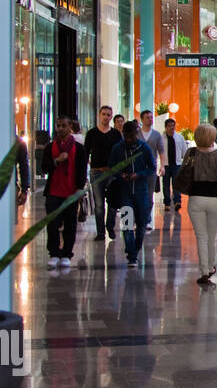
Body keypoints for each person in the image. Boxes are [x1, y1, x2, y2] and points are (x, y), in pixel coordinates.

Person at [183, 123, 217, 285]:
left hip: (196, 197)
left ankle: (204, 270)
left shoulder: (191, 153)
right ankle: (210, 266)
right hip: (215, 198)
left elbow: (184, 172)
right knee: (212, 236)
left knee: (201, 236)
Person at [40, 115, 87, 268]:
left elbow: (81, 170)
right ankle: (54, 253)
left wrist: (80, 189)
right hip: (53, 192)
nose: (60, 128)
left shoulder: (78, 148)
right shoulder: (50, 147)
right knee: (52, 224)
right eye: (58, 125)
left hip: (71, 192)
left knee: (70, 223)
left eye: (63, 126)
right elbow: (44, 168)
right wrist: (57, 161)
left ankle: (67, 253)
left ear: (69, 128)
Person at [109, 120, 157, 268]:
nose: (129, 139)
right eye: (126, 136)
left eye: (131, 136)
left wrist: (140, 174)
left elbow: (152, 167)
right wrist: (120, 174)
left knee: (142, 224)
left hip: (141, 191)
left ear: (136, 134)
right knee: (127, 223)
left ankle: (135, 247)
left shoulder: (144, 148)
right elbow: (111, 167)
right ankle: (132, 255)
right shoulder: (118, 148)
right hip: (125, 193)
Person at [84, 104, 122, 240]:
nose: (106, 117)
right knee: (99, 204)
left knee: (112, 202)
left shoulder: (116, 134)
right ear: (99, 115)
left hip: (112, 172)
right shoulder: (92, 133)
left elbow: (120, 153)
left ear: (111, 117)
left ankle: (110, 227)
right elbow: (85, 153)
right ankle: (100, 232)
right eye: (103, 114)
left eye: (108, 114)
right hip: (96, 172)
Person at [139, 109, 165, 227]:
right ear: (142, 119)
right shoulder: (137, 134)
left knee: (149, 195)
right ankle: (138, 218)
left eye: (151, 117)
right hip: (138, 169)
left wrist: (162, 166)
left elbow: (161, 151)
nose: (150, 119)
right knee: (138, 195)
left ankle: (147, 219)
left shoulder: (156, 135)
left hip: (151, 169)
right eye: (147, 117)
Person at [160, 118, 189, 212]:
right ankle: (167, 203)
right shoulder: (161, 138)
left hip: (177, 164)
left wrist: (185, 164)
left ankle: (177, 202)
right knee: (166, 185)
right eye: (169, 126)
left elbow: (184, 151)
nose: (171, 127)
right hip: (165, 165)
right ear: (166, 127)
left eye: (173, 125)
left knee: (176, 184)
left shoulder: (179, 137)